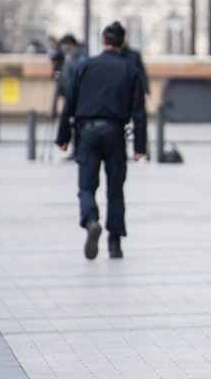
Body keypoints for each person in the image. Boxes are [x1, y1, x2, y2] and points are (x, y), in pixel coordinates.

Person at [55, 22, 146, 260]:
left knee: (86, 186)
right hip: (115, 132)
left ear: (103, 41)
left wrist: (62, 137)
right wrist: (140, 147)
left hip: (87, 133)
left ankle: (91, 220)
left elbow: (70, 105)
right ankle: (114, 243)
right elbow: (139, 111)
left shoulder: (85, 66)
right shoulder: (130, 69)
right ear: (122, 43)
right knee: (115, 189)